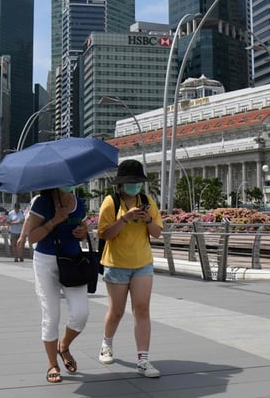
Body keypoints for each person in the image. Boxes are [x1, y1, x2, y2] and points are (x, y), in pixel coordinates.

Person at [16, 186, 90, 384]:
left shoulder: (78, 203)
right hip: (46, 262)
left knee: (81, 313)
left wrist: (83, 232)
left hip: (72, 262)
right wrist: (54, 221)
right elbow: (31, 238)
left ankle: (63, 346)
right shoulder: (42, 202)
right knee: (51, 316)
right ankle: (52, 364)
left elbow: (84, 231)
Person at [97, 159, 163, 378]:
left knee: (142, 309)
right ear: (121, 184)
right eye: (130, 182)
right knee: (116, 311)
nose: (135, 186)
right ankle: (106, 343)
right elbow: (105, 234)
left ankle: (143, 359)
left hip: (142, 262)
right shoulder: (110, 202)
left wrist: (147, 220)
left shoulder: (147, 201)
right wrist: (124, 219)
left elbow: (157, 233)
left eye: (137, 182)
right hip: (116, 264)